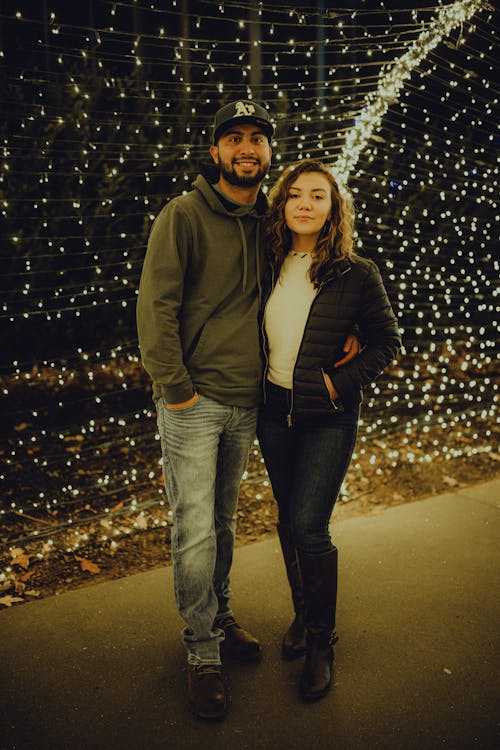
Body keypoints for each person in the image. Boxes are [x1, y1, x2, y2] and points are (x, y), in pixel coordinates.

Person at [137, 102, 359, 720]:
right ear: (215, 152)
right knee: (196, 527)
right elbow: (155, 310)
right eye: (233, 138)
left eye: (256, 139)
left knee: (225, 524)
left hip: (250, 402)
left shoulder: (272, 221)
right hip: (194, 401)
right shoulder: (182, 216)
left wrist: (353, 334)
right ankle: (201, 653)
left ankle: (222, 615)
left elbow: (321, 277)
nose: (245, 148)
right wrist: (176, 388)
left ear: (268, 155)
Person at [257, 158, 402, 702]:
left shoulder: (355, 272)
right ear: (282, 204)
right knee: (287, 522)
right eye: (295, 194)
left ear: (334, 206)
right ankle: (302, 614)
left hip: (328, 419)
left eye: (317, 195)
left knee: (309, 525)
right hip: (273, 414)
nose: (304, 204)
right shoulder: (266, 262)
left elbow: (388, 341)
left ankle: (321, 641)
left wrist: (340, 383)